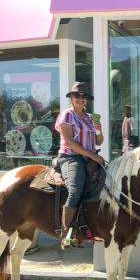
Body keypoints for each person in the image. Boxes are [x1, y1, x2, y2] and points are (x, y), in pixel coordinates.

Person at [55, 81, 104, 248]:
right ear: (71, 98)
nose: (80, 99)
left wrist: (99, 130)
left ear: (87, 100)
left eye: (83, 96)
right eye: (77, 95)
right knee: (75, 189)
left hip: (89, 158)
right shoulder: (66, 115)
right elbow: (69, 142)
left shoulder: (90, 118)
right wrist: (91, 155)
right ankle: (66, 233)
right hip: (71, 157)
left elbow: (99, 141)